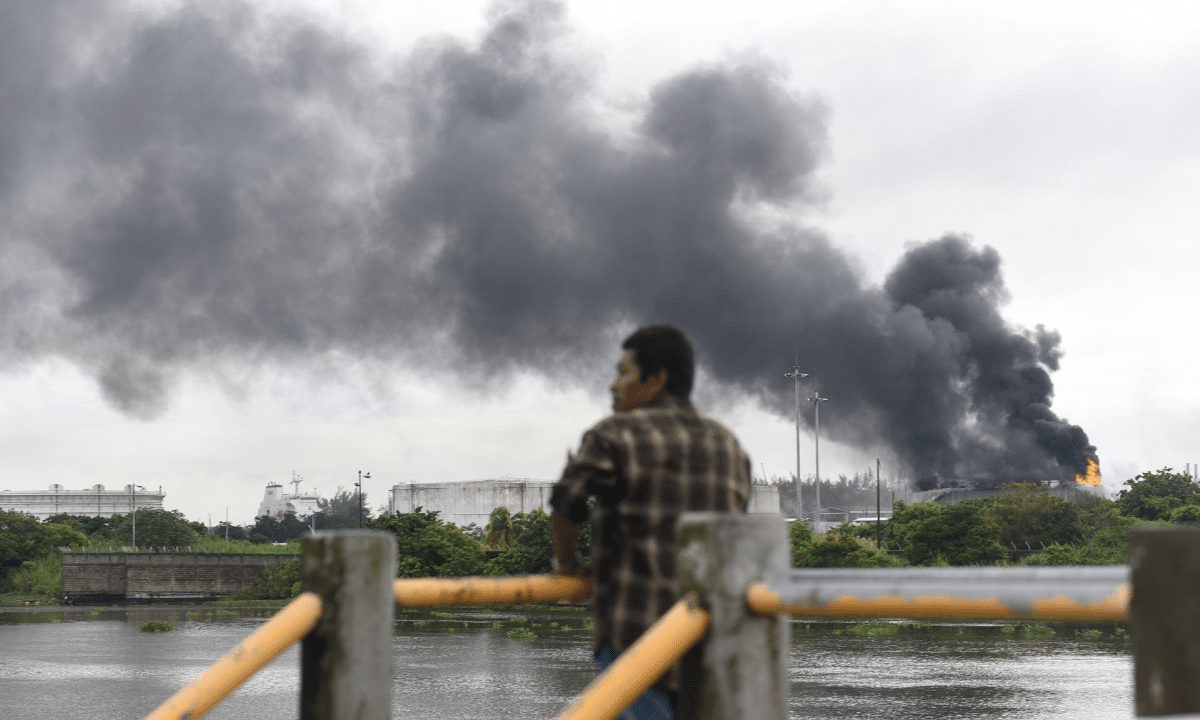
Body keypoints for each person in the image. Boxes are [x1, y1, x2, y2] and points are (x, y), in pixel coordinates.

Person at [550, 325, 752, 720]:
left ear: (656, 378)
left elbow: (567, 502)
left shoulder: (615, 434)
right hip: (712, 647)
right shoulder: (728, 444)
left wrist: (568, 566)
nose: (613, 385)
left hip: (637, 641)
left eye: (623, 372)